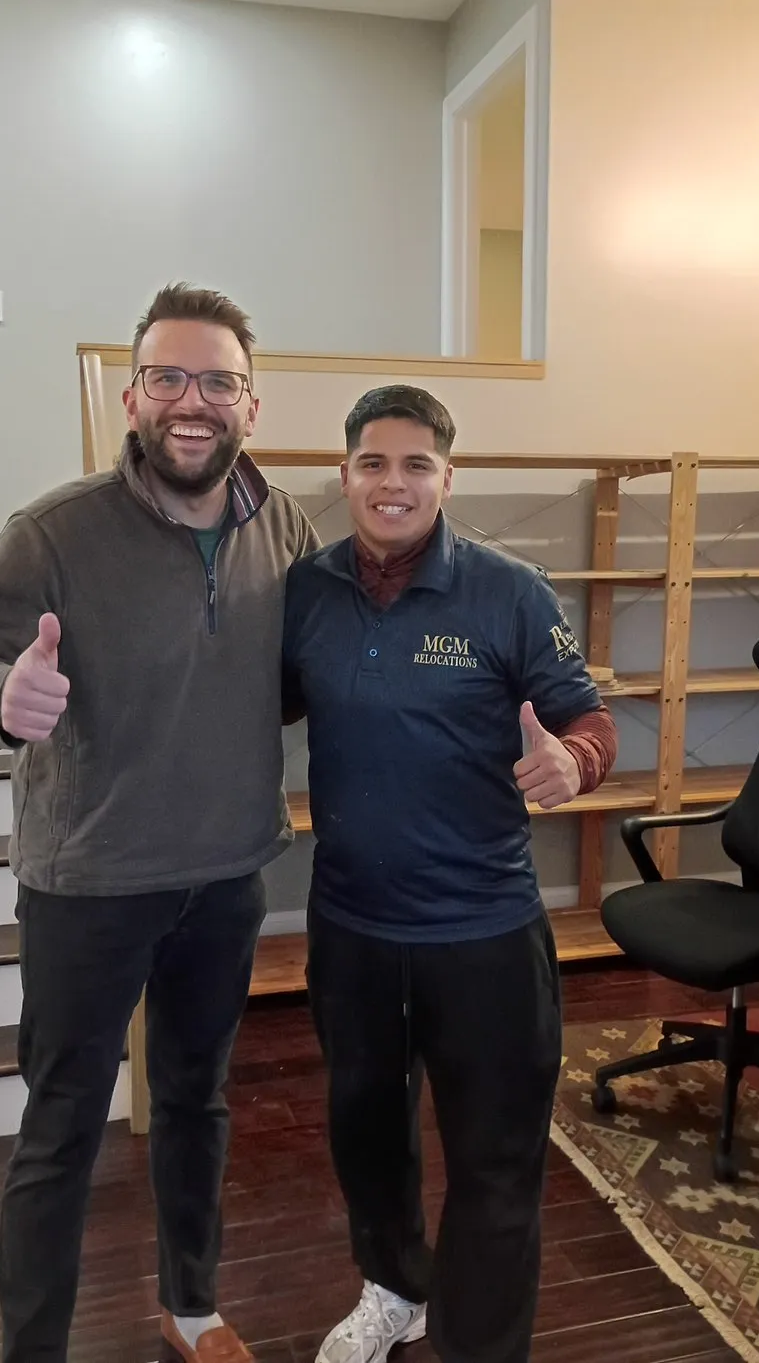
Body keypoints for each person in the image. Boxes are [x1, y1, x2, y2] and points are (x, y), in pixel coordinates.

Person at [0, 283, 319, 1363]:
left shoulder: (284, 525)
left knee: (196, 1104)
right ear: (132, 398)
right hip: (86, 885)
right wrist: (0, 701)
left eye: (219, 381)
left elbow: (296, 673)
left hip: (226, 877)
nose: (195, 401)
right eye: (171, 379)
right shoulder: (52, 533)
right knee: (61, 1132)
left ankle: (191, 1308)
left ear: (251, 404)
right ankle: (30, 1349)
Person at [282, 386, 618, 1363]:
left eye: (415, 464)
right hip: (351, 930)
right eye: (374, 464)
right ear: (345, 475)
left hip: (483, 935)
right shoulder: (307, 592)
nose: (393, 484)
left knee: (495, 1164)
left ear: (446, 476)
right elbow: (251, 708)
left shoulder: (509, 591)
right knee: (367, 1139)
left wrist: (573, 761)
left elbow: (588, 722)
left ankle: (480, 1345)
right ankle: (396, 1291)